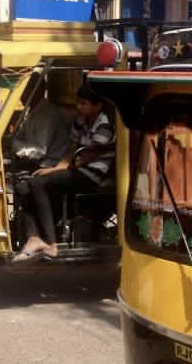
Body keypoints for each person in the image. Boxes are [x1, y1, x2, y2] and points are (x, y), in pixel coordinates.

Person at [14, 83, 115, 261]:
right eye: (79, 103)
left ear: (98, 106)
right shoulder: (80, 121)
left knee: (38, 183)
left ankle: (51, 244)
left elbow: (87, 156)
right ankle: (34, 238)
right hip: (77, 169)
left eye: (84, 104)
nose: (79, 107)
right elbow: (73, 149)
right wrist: (55, 168)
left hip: (91, 176)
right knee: (25, 186)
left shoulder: (105, 125)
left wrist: (62, 167)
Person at [11, 81, 70, 168]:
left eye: (23, 91)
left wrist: (13, 144)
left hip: (48, 164)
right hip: (34, 161)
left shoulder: (47, 114)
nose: (20, 96)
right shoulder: (30, 111)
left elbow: (39, 152)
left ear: (35, 92)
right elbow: (19, 136)